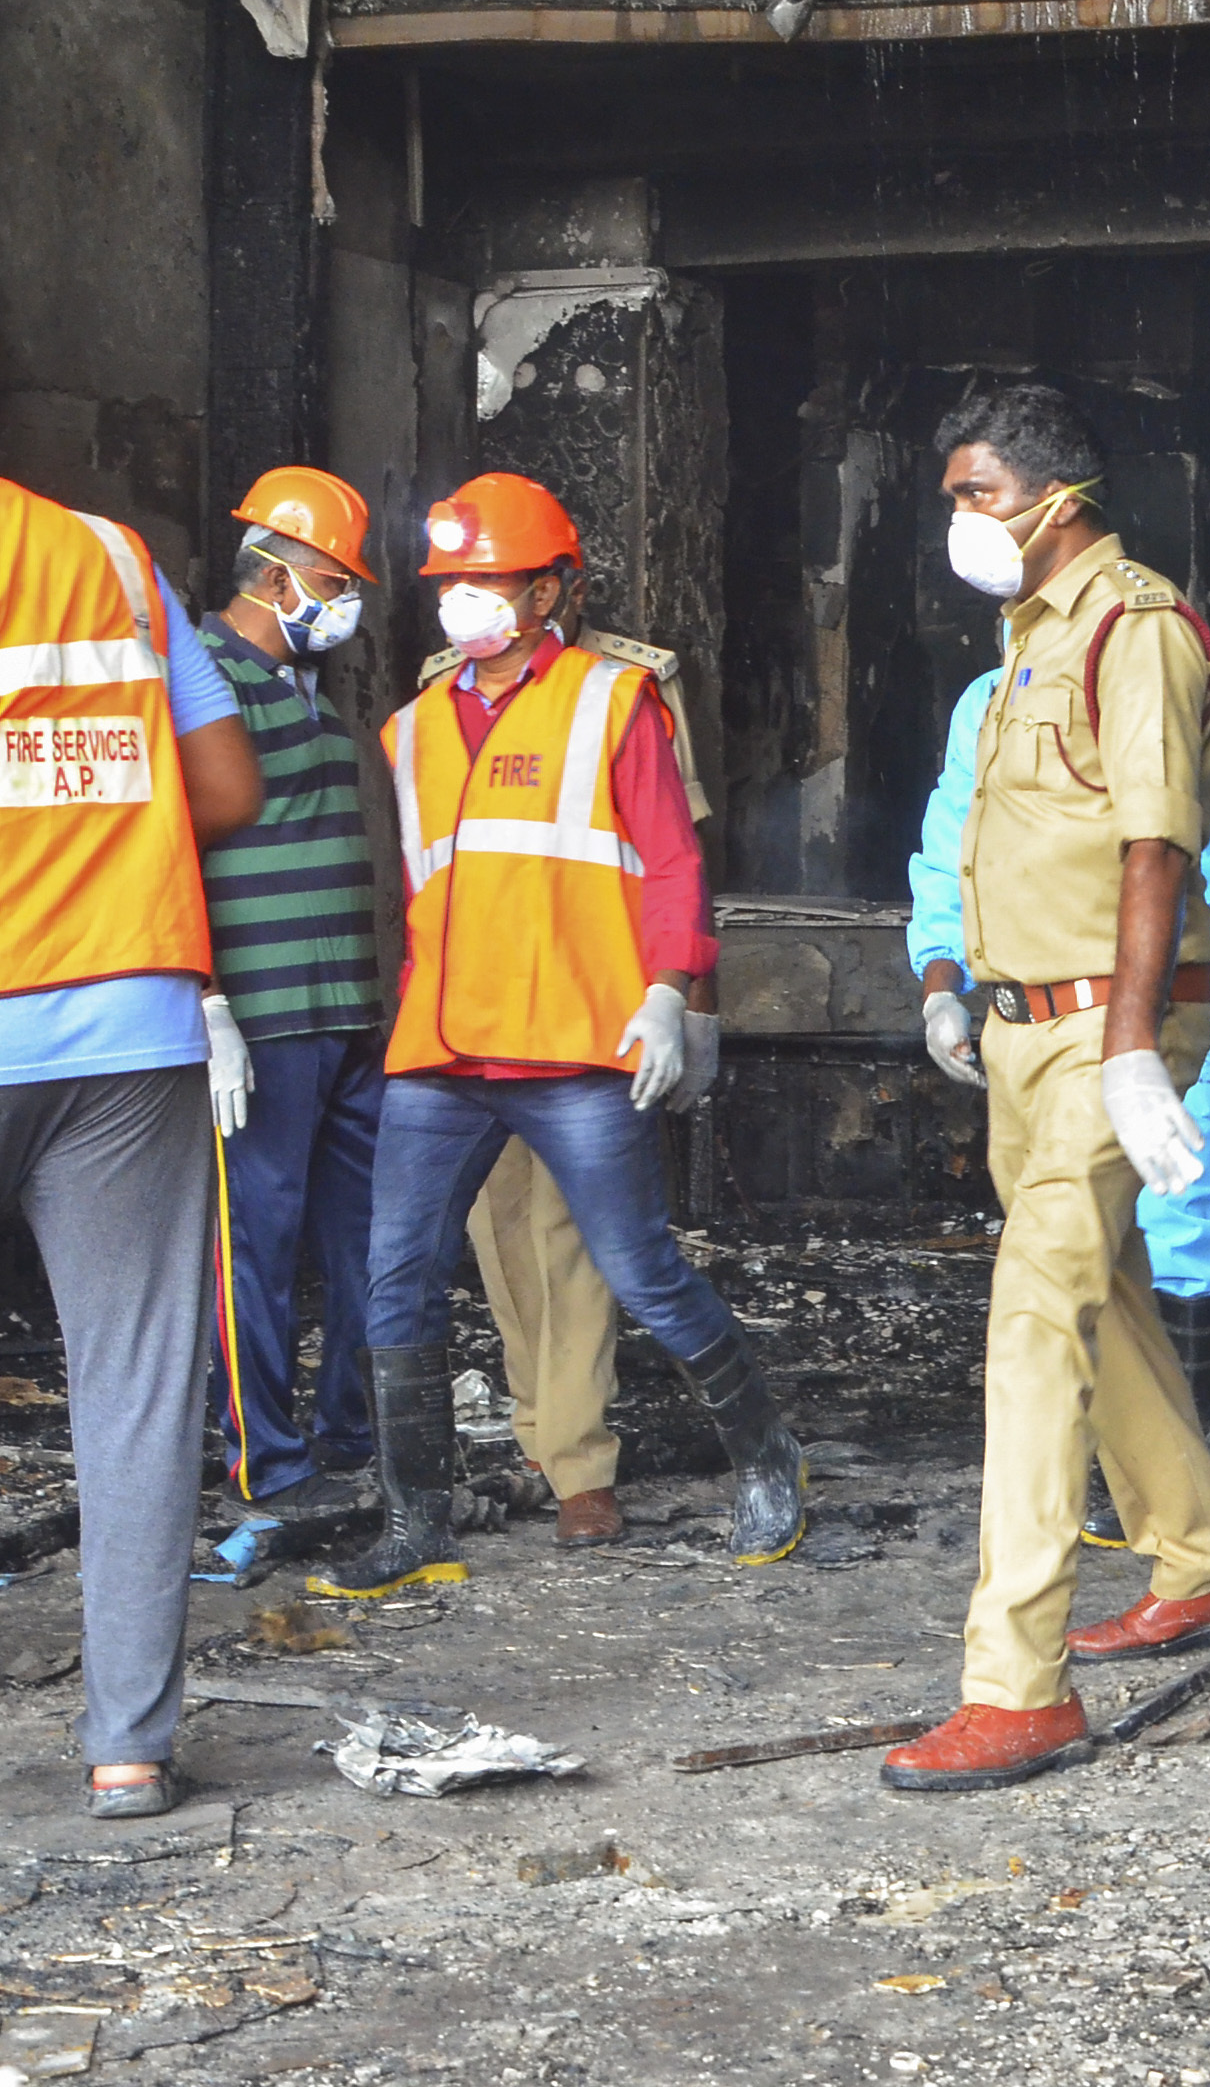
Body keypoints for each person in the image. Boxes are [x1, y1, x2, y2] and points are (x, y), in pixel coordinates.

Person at [0, 337, 263, 1817]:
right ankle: (127, 1749)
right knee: (139, 1378)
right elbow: (225, 787)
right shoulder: (110, 552)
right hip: (132, 1023)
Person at [882, 385, 1210, 1794]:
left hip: (1098, 1033)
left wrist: (1124, 1044)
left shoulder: (1134, 628)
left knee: (1033, 1323)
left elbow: (1154, 852)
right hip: (1018, 1034)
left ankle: (1016, 1686)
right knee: (1098, 1295)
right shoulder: (1025, 638)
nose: (959, 523)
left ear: (1056, 497)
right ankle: (1206, 1560)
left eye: (973, 495)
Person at [315, 472, 795, 1600]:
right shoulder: (414, 726)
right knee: (398, 1281)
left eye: (487, 580)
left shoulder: (614, 700)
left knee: (641, 1268)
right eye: (452, 583)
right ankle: (412, 1520)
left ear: (547, 591)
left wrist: (676, 992)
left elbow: (674, 860)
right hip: (442, 1051)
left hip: (575, 1044)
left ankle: (769, 1461)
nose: (464, 601)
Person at [912, 642, 1210, 1546]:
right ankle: (1175, 1503)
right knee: (1097, 1252)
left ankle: (1169, 1497)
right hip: (1036, 1002)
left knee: (1163, 1213)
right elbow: (956, 841)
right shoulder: (993, 694)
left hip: (1191, 989)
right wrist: (939, 980)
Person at [430, 620, 718, 1550]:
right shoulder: (443, 691)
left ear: (551, 587)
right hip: (474, 1016)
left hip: (589, 1011)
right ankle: (537, 1435)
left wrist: (687, 1009)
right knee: (499, 1232)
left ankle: (580, 1462)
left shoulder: (630, 687)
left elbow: (679, 858)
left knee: (578, 1241)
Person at [196, 468, 392, 1514]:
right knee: (257, 1249)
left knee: (370, 1241)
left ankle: (350, 1434)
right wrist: (206, 997)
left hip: (346, 1009)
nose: (343, 601)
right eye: (331, 579)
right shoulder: (201, 675)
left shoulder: (311, 682)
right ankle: (264, 1460)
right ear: (274, 576)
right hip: (265, 1018)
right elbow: (170, 845)